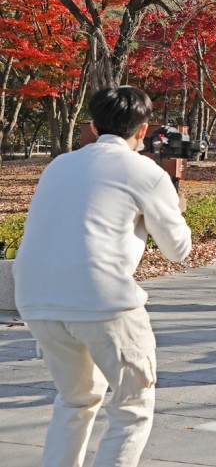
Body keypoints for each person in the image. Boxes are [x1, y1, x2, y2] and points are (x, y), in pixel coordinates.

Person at [14, 86, 192, 467]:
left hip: (35, 299)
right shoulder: (146, 170)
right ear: (143, 130)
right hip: (104, 299)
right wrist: (174, 206)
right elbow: (178, 250)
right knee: (132, 406)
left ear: (93, 126)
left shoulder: (59, 164)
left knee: (75, 400)